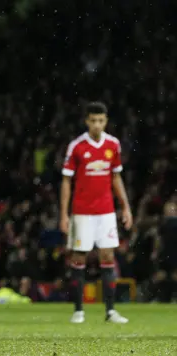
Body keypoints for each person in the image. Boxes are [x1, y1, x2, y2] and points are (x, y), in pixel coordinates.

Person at [59, 102, 132, 324]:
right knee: (79, 257)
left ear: (106, 121)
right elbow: (66, 180)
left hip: (106, 211)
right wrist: (64, 214)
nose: (97, 125)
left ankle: (110, 311)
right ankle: (78, 310)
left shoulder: (113, 144)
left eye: (101, 121)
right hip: (82, 212)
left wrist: (125, 207)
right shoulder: (77, 146)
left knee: (108, 256)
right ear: (87, 121)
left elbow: (116, 177)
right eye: (93, 120)